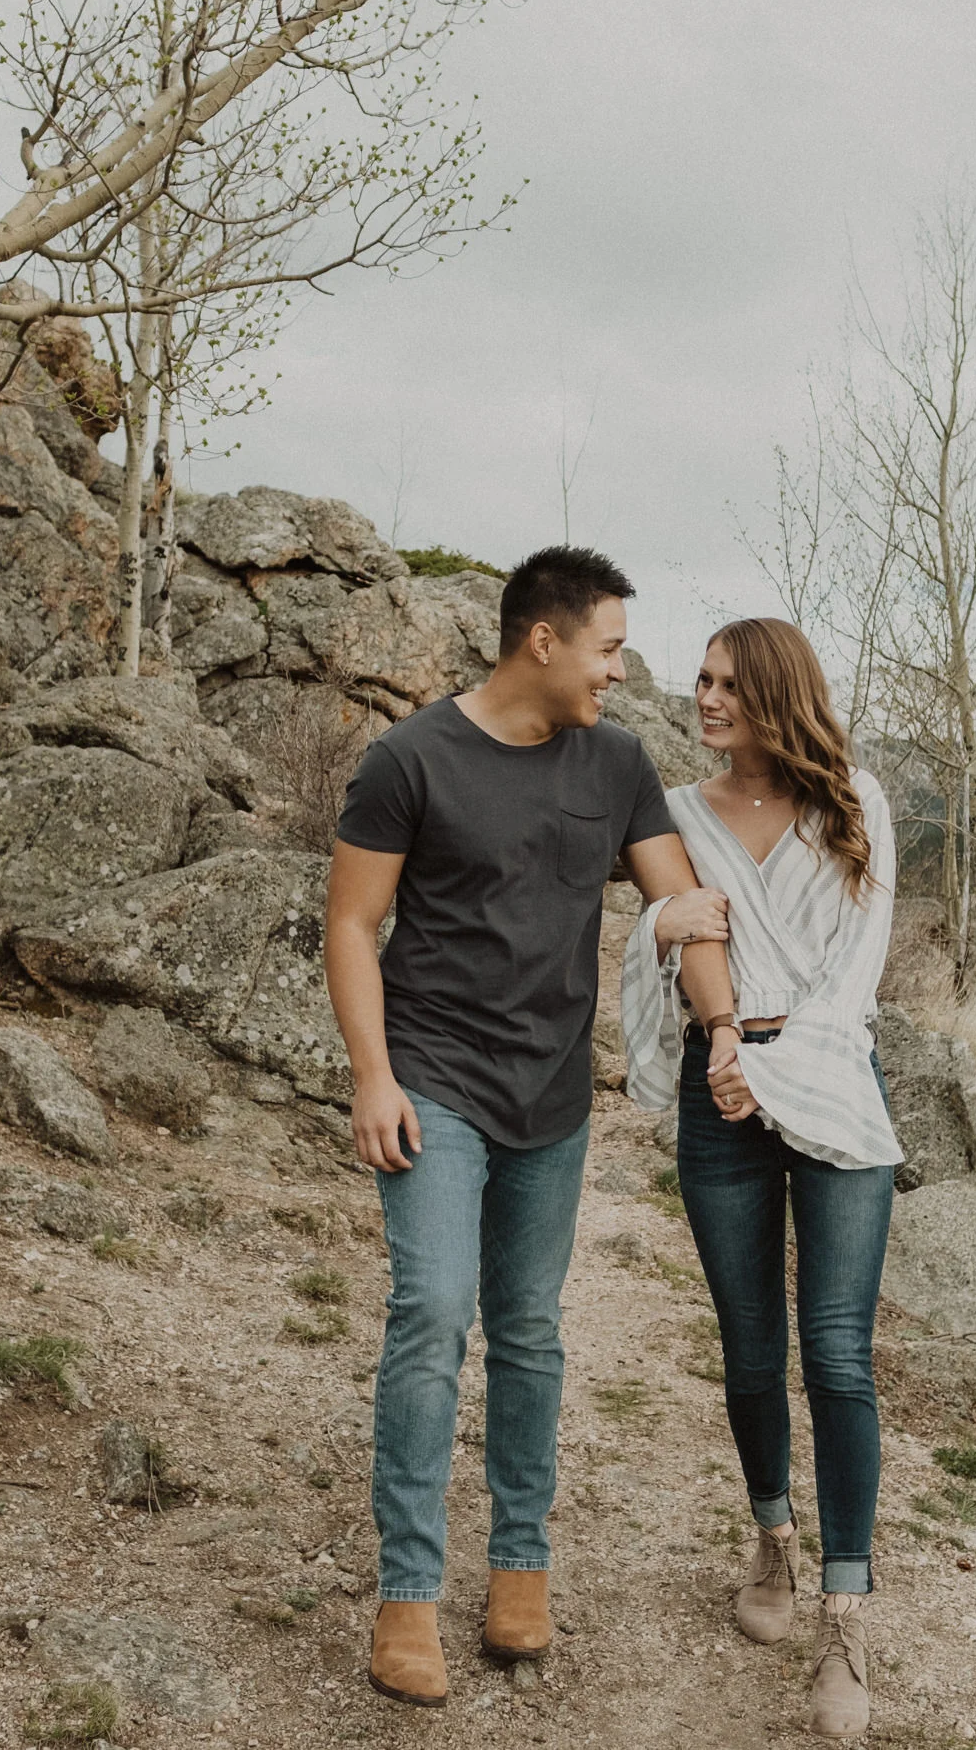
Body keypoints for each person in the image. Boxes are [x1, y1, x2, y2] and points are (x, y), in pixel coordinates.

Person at [326, 546, 740, 1709]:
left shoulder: (613, 763)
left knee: (530, 1332)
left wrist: (721, 1028)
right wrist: (372, 1075)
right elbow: (354, 926)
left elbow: (681, 902)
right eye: (609, 647)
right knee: (431, 1314)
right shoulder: (409, 759)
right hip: (435, 1081)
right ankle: (408, 1592)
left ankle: (520, 1565)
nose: (622, 670)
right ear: (542, 640)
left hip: (552, 1099)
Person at [622, 616, 901, 1742]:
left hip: (828, 1077)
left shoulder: (856, 805)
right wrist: (711, 1015)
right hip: (719, 1082)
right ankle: (772, 1540)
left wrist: (773, 1065)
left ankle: (845, 1611)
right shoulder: (681, 814)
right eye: (699, 679)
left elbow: (856, 968)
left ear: (779, 692)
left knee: (835, 1350)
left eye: (728, 682)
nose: (705, 696)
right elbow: (682, 928)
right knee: (749, 1347)